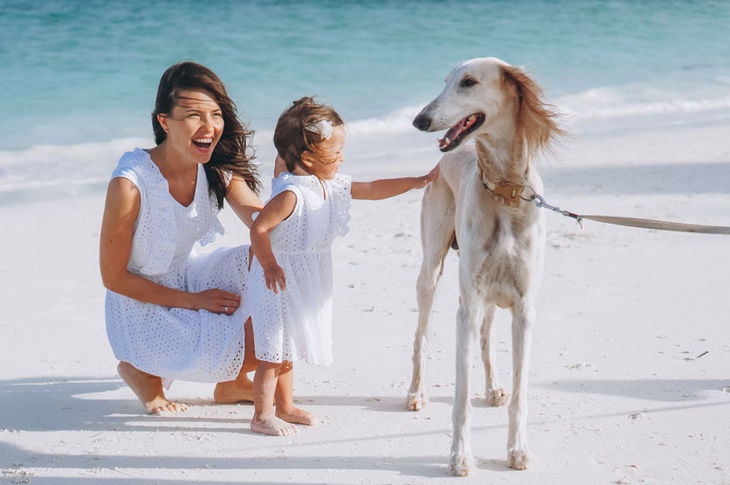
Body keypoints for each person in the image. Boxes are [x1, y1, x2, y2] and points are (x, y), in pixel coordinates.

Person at [245, 97, 439, 436]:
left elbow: (371, 188)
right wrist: (269, 264)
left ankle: (285, 406)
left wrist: (415, 181)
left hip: (303, 279)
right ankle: (262, 415)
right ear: (307, 158)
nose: (342, 158)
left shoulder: (329, 183)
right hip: (277, 280)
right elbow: (259, 227)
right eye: (336, 154)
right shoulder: (291, 195)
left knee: (286, 348)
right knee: (272, 351)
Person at [100, 62, 274, 414]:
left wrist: (298, 197)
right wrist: (194, 301)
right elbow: (114, 278)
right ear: (165, 121)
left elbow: (259, 219)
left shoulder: (215, 167)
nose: (210, 127)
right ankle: (139, 369)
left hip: (190, 274)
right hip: (139, 303)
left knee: (274, 267)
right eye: (194, 115)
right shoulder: (130, 184)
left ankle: (231, 383)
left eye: (216, 114)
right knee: (257, 345)